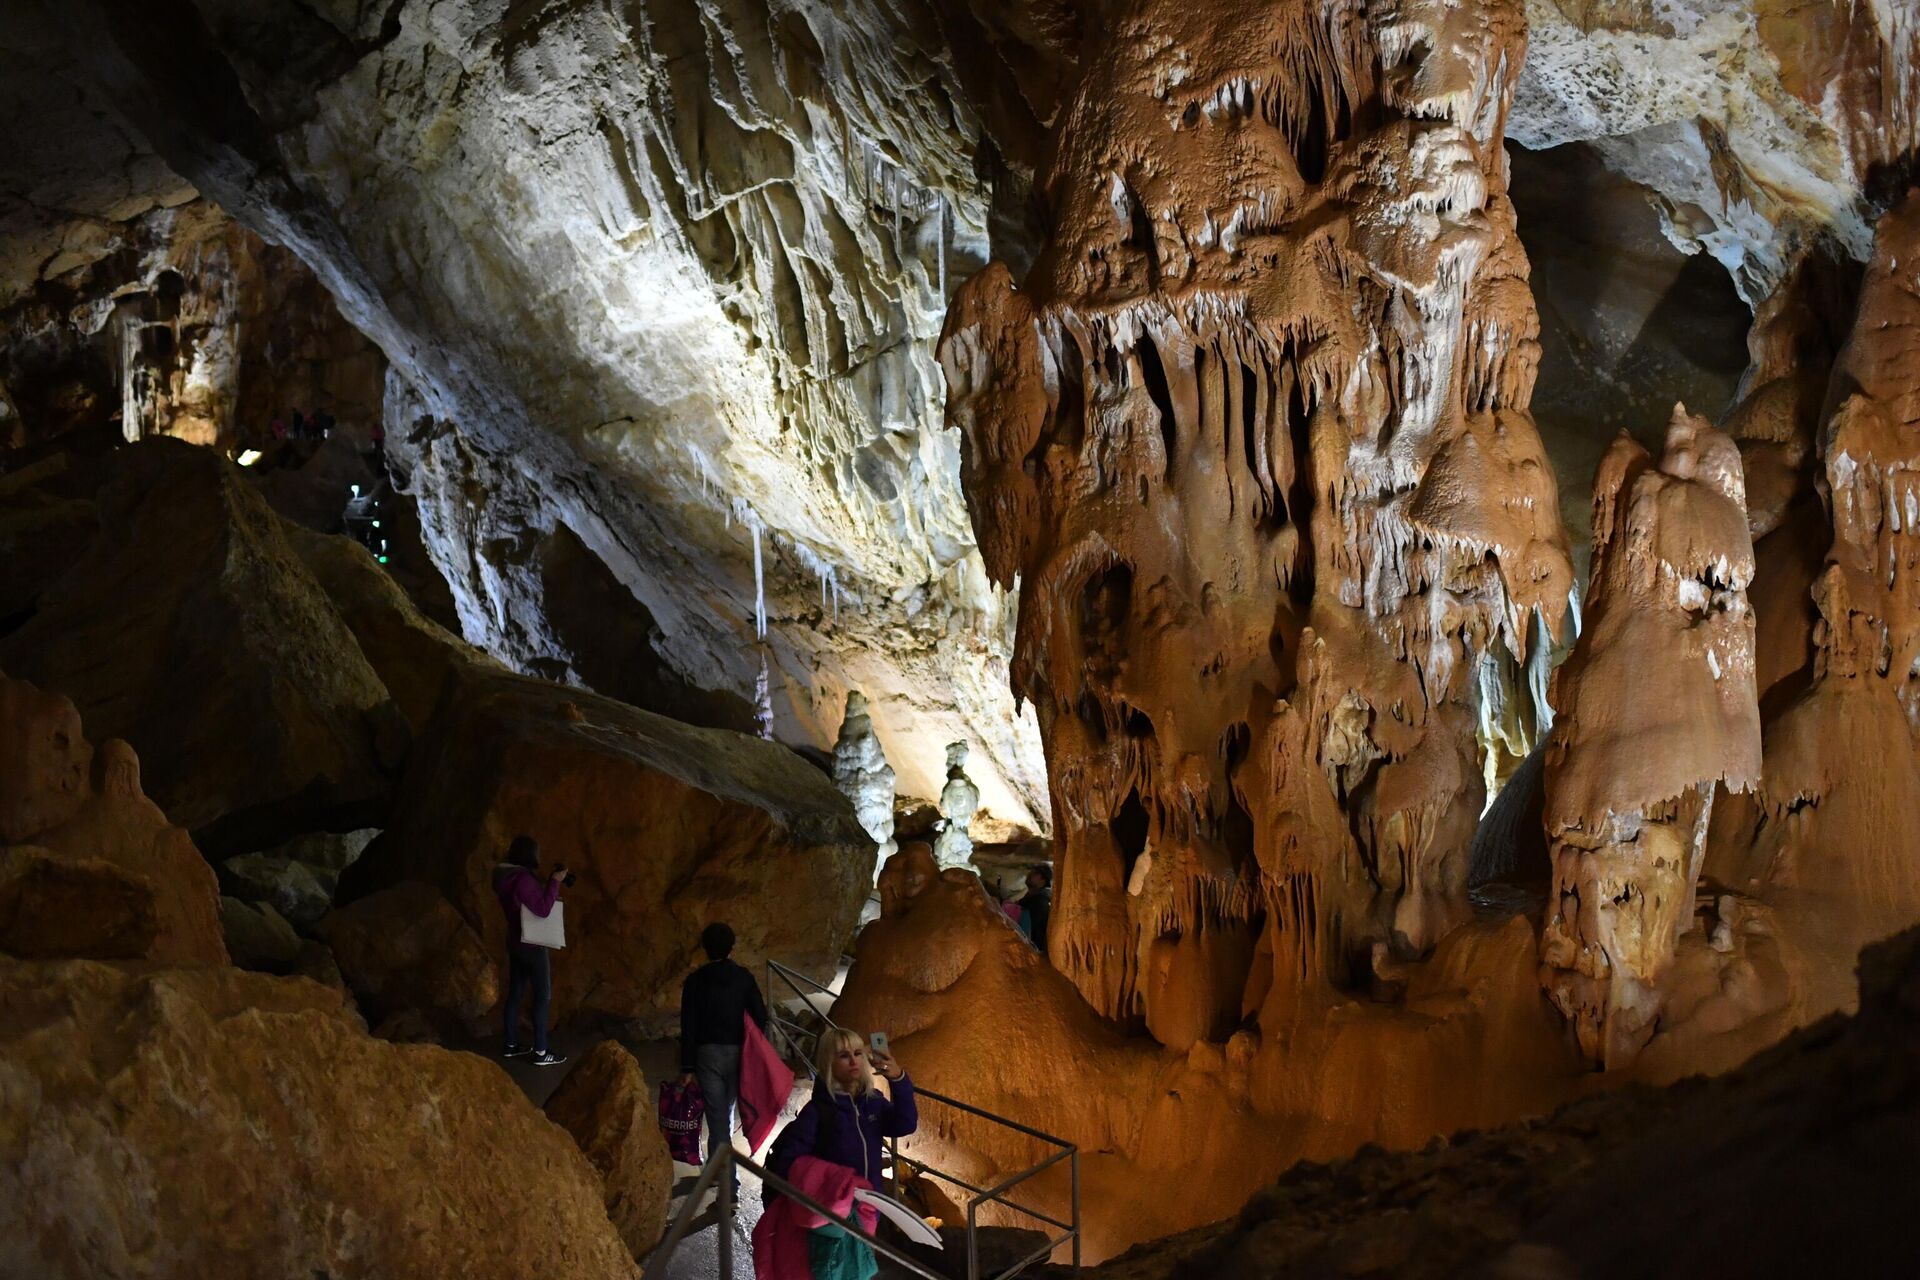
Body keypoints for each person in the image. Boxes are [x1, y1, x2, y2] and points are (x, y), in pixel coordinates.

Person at [767, 1028, 917, 1278]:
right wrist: (835, 1180)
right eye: (843, 1055)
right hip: (834, 1215)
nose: (854, 1060)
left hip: (868, 1210)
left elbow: (905, 1123)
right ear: (828, 1062)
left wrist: (898, 1079)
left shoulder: (873, 1103)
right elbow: (789, 1162)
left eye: (858, 1053)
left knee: (860, 1269)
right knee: (832, 1271)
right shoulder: (818, 1111)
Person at [679, 922, 770, 1181]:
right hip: (738, 1052)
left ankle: (728, 1180)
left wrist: (687, 1067)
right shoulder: (743, 977)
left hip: (707, 1056)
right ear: (732, 947)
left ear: (705, 949)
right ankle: (717, 1170)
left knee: (718, 1117)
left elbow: (689, 1026)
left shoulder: (695, 981)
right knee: (725, 1113)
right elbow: (760, 1016)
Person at [492, 834, 570, 1067]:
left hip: (515, 940)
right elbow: (543, 909)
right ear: (530, 854)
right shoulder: (522, 879)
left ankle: (510, 1044)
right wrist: (555, 882)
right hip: (532, 944)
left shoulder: (503, 876)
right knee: (542, 996)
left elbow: (526, 902)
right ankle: (541, 1052)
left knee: (515, 993)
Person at [1018, 865, 1052, 958]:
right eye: (1031, 871)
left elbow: (1032, 927)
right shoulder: (1030, 898)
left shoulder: (1041, 901)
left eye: (1036, 873)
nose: (1030, 874)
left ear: (1043, 881)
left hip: (1032, 951)